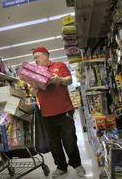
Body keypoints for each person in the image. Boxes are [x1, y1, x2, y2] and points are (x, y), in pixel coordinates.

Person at [30, 47, 86, 178]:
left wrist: (58, 80)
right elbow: (33, 93)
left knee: (70, 140)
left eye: (37, 57)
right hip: (46, 114)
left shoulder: (59, 65)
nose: (36, 60)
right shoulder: (35, 72)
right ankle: (61, 167)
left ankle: (77, 164)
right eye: (34, 58)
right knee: (54, 143)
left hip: (64, 110)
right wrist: (36, 86)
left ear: (46, 55)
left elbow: (69, 80)